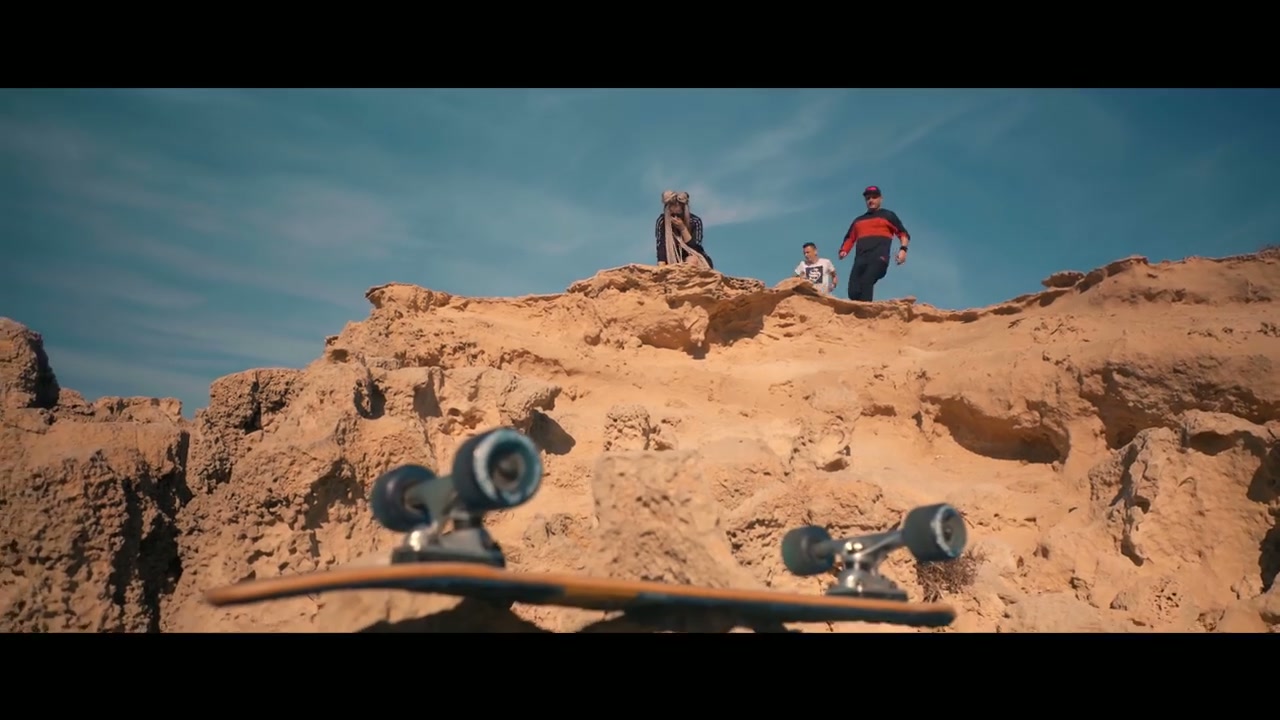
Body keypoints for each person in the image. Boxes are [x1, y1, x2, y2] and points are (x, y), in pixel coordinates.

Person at [836, 185, 910, 302]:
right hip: (861, 259)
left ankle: (866, 311)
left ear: (881, 199)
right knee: (853, 291)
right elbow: (850, 238)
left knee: (867, 280)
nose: (871, 200)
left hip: (879, 258)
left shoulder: (888, 215)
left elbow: (903, 234)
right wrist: (844, 250)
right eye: (868, 198)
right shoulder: (858, 220)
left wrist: (903, 250)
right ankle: (858, 309)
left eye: (874, 197)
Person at [655, 190, 713, 269]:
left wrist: (683, 229)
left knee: (691, 260)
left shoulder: (695, 221)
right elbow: (661, 245)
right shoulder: (662, 221)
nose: (675, 218)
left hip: (694, 258)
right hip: (672, 259)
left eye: (678, 215)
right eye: (672, 215)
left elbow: (696, 248)